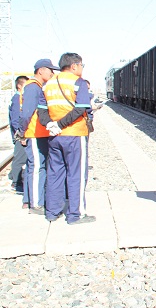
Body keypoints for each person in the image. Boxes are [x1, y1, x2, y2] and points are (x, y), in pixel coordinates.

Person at [37, 53, 94, 225]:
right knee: (76, 174)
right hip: (74, 134)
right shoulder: (78, 82)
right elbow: (81, 108)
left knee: (55, 173)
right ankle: (76, 215)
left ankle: (52, 212)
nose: (82, 68)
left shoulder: (48, 85)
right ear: (74, 66)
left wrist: (51, 125)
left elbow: (41, 110)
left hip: (54, 136)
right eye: (82, 65)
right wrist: (61, 125)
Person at [18, 59, 59, 214]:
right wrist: (22, 131)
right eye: (50, 70)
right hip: (35, 133)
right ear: (41, 70)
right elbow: (27, 113)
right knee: (37, 168)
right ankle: (36, 205)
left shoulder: (37, 87)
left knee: (34, 167)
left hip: (40, 133)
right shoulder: (33, 87)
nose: (52, 73)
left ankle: (30, 200)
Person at [8, 76, 28, 199]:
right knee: (20, 159)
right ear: (19, 86)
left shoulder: (20, 98)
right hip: (20, 135)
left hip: (21, 134)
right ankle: (16, 184)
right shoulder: (17, 99)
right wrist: (21, 136)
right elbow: (15, 119)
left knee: (21, 158)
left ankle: (15, 178)